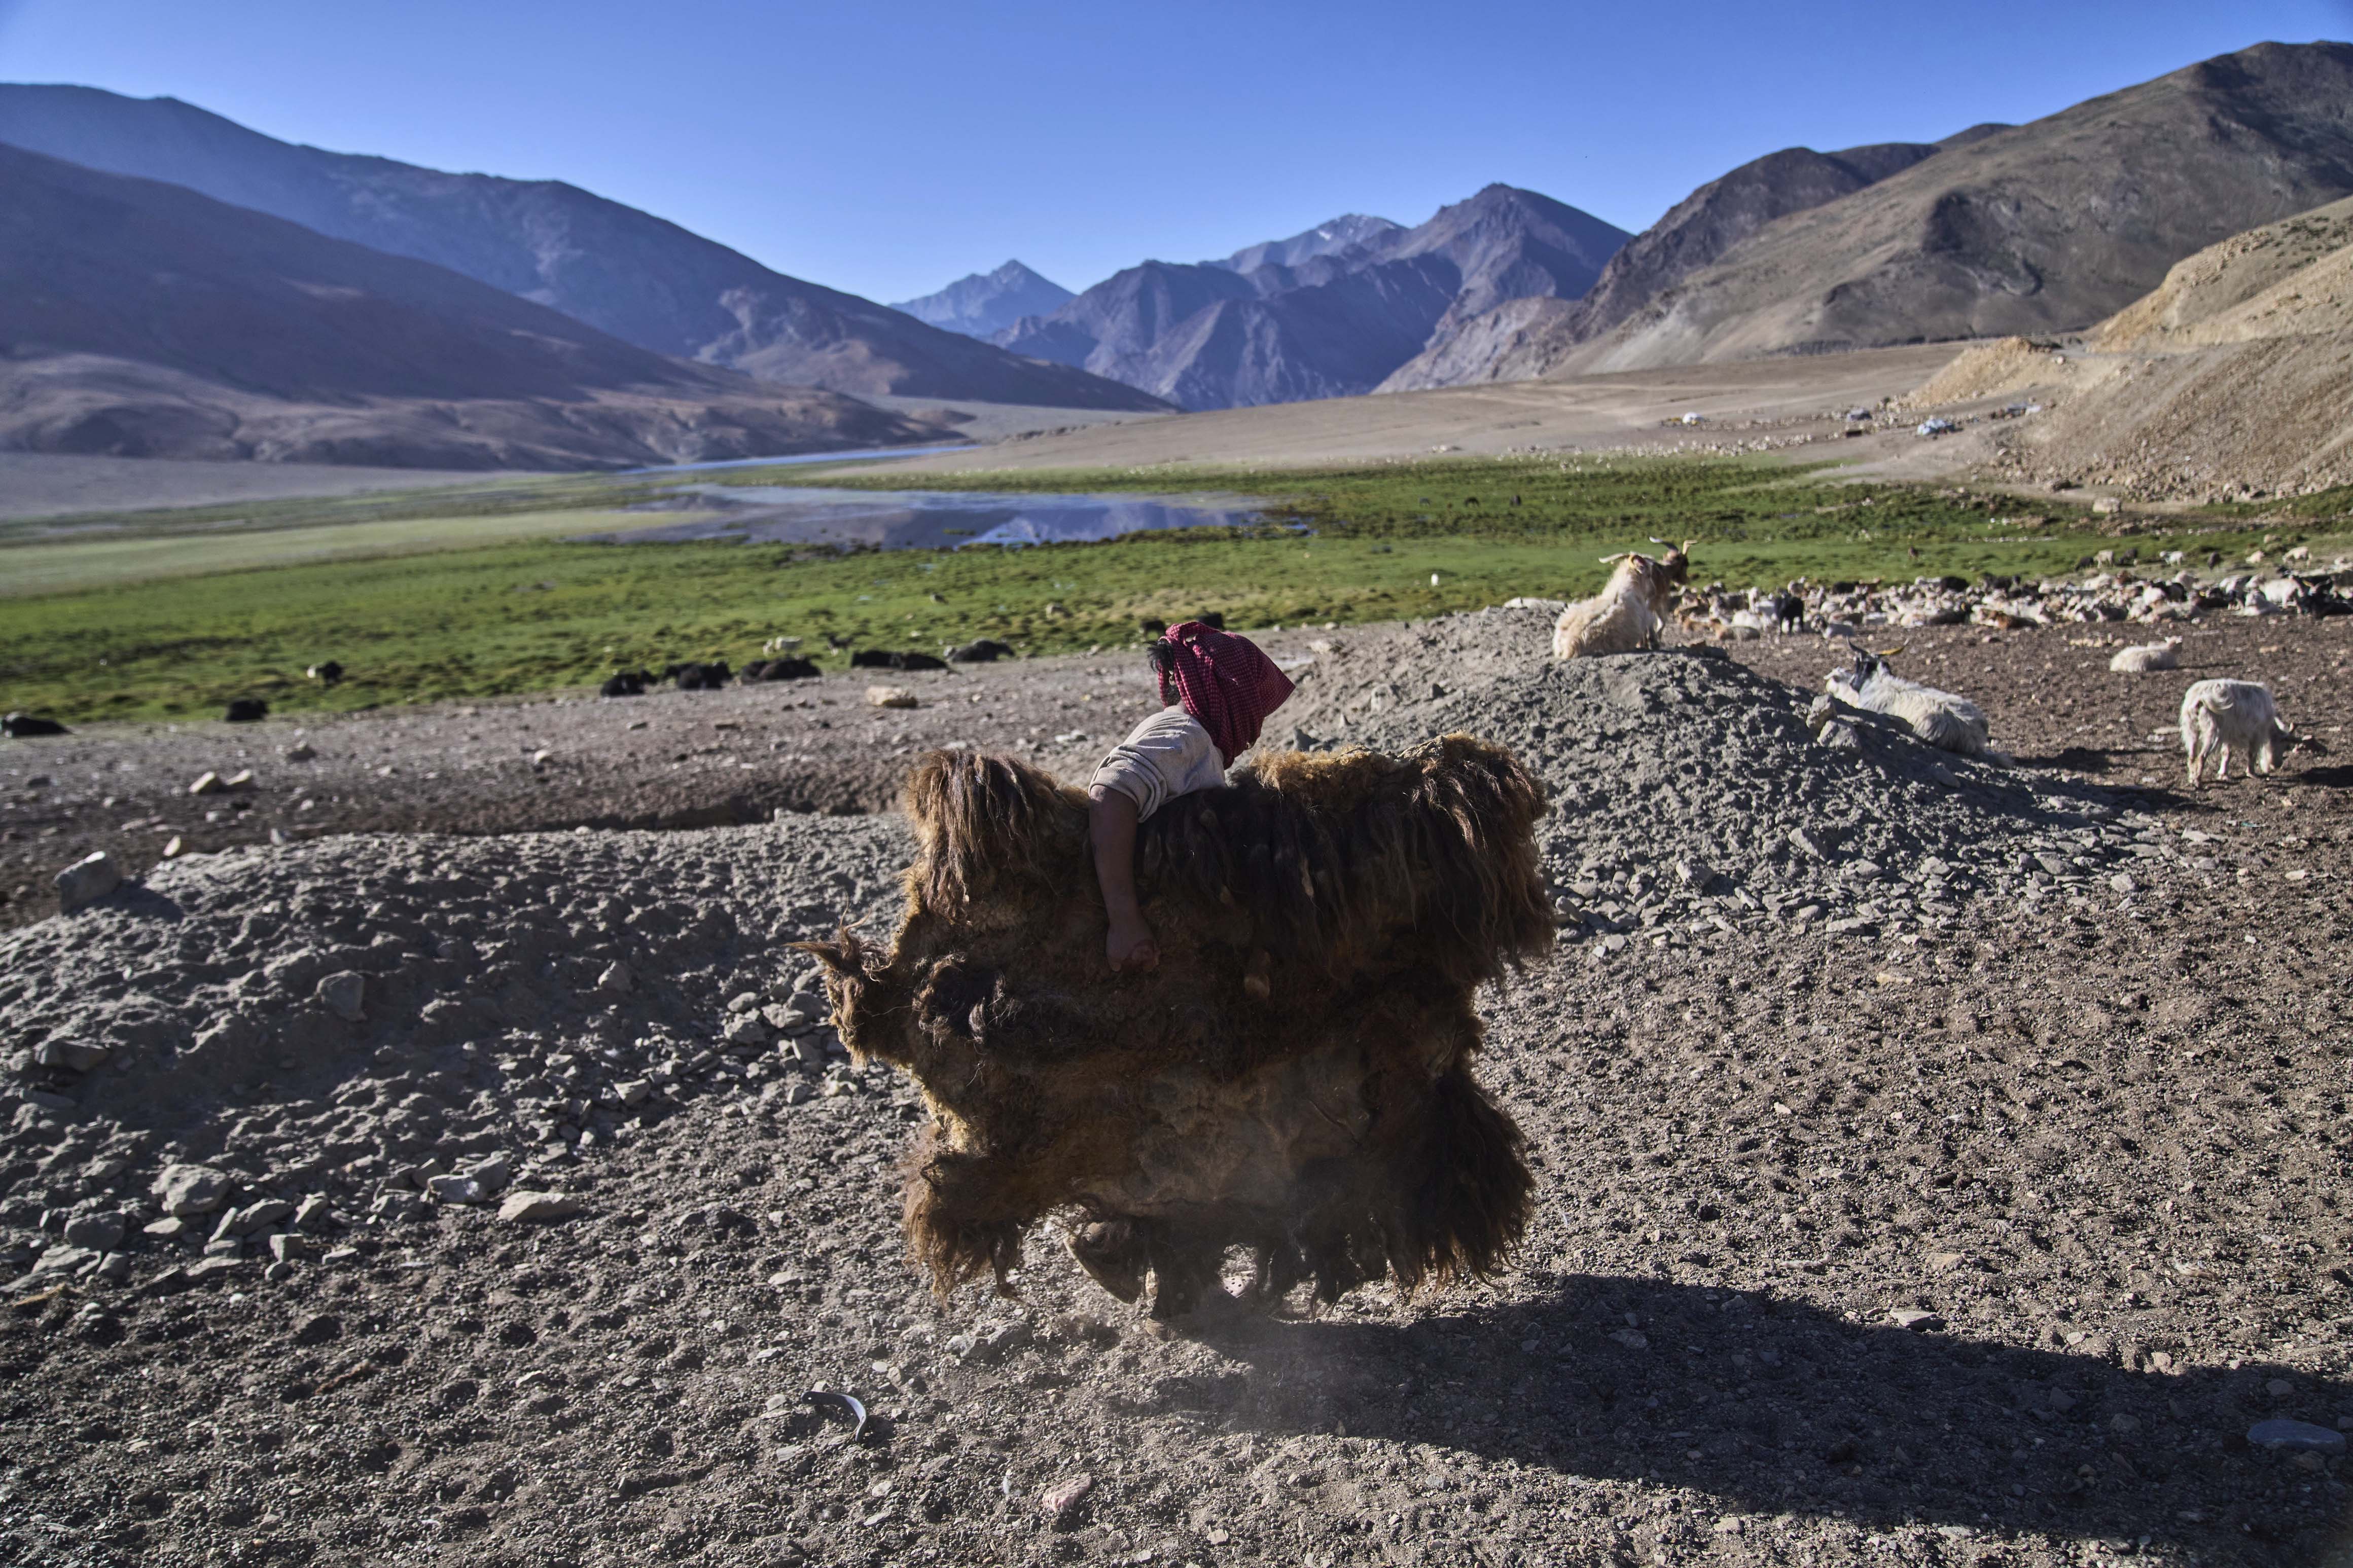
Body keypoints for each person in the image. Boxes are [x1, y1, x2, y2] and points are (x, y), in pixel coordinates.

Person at [1088, 622, 1294, 972]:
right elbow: (1111, 790)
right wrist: (1124, 920)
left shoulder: (1193, 739)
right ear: (1228, 692)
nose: (1255, 723)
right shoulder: (1186, 735)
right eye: (1253, 704)